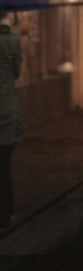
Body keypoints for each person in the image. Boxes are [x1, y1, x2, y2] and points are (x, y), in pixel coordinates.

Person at [0, 12, 22, 229]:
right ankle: (6, 213)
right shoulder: (13, 41)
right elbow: (16, 73)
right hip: (6, 110)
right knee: (4, 166)